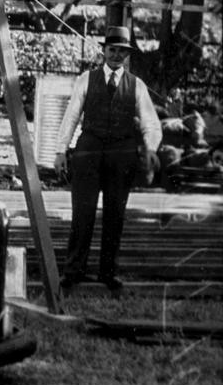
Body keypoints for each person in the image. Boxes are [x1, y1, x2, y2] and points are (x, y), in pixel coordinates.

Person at [53, 26, 162, 295]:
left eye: (121, 51)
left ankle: (107, 272)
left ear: (127, 55)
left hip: (121, 154)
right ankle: (73, 271)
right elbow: (70, 117)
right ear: (104, 50)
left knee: (115, 214)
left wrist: (150, 148)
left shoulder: (136, 85)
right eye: (112, 49)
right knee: (83, 213)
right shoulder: (84, 80)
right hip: (88, 150)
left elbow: (151, 122)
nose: (116, 55)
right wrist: (60, 151)